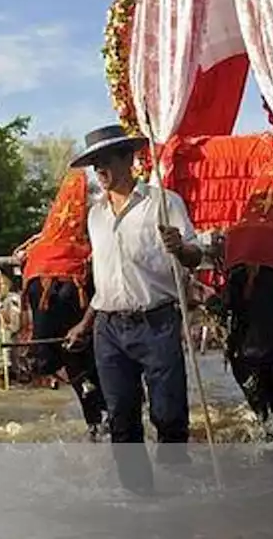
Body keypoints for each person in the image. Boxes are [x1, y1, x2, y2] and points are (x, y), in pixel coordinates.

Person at [61, 124, 202, 494]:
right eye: (94, 164)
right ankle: (139, 497)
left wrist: (180, 248)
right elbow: (104, 279)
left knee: (169, 414)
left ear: (129, 159)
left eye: (105, 161)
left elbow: (195, 256)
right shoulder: (95, 216)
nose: (99, 171)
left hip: (156, 322)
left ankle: (176, 489)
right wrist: (85, 322)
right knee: (121, 418)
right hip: (108, 329)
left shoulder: (164, 203)